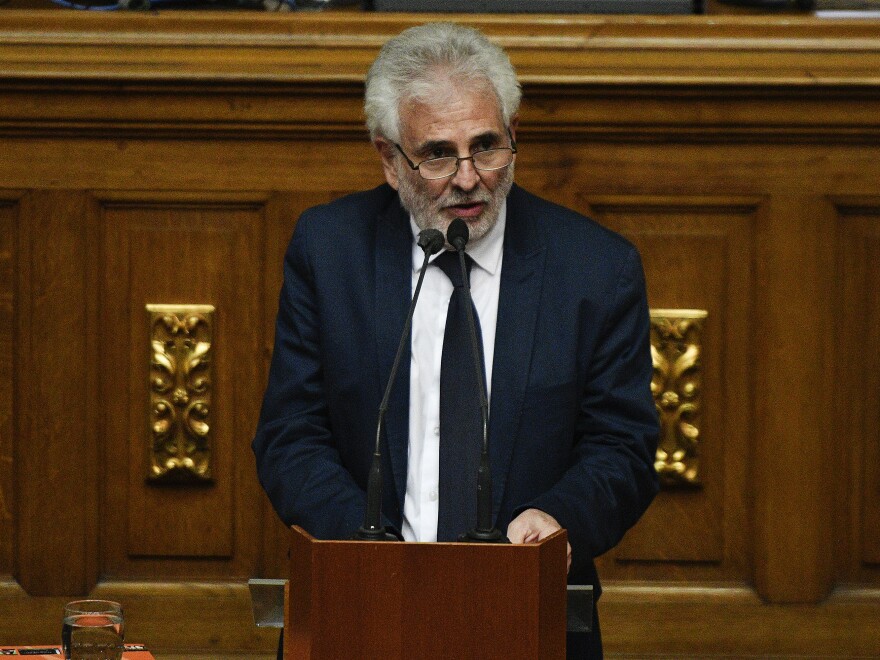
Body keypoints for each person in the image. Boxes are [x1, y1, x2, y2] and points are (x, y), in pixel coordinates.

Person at [253, 21, 659, 659]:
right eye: (439, 154)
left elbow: (625, 449)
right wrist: (366, 548)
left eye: (488, 147)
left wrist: (561, 520)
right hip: (359, 614)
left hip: (528, 622)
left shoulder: (596, 270)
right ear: (391, 160)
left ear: (514, 136)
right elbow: (290, 435)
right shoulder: (330, 251)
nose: (469, 178)